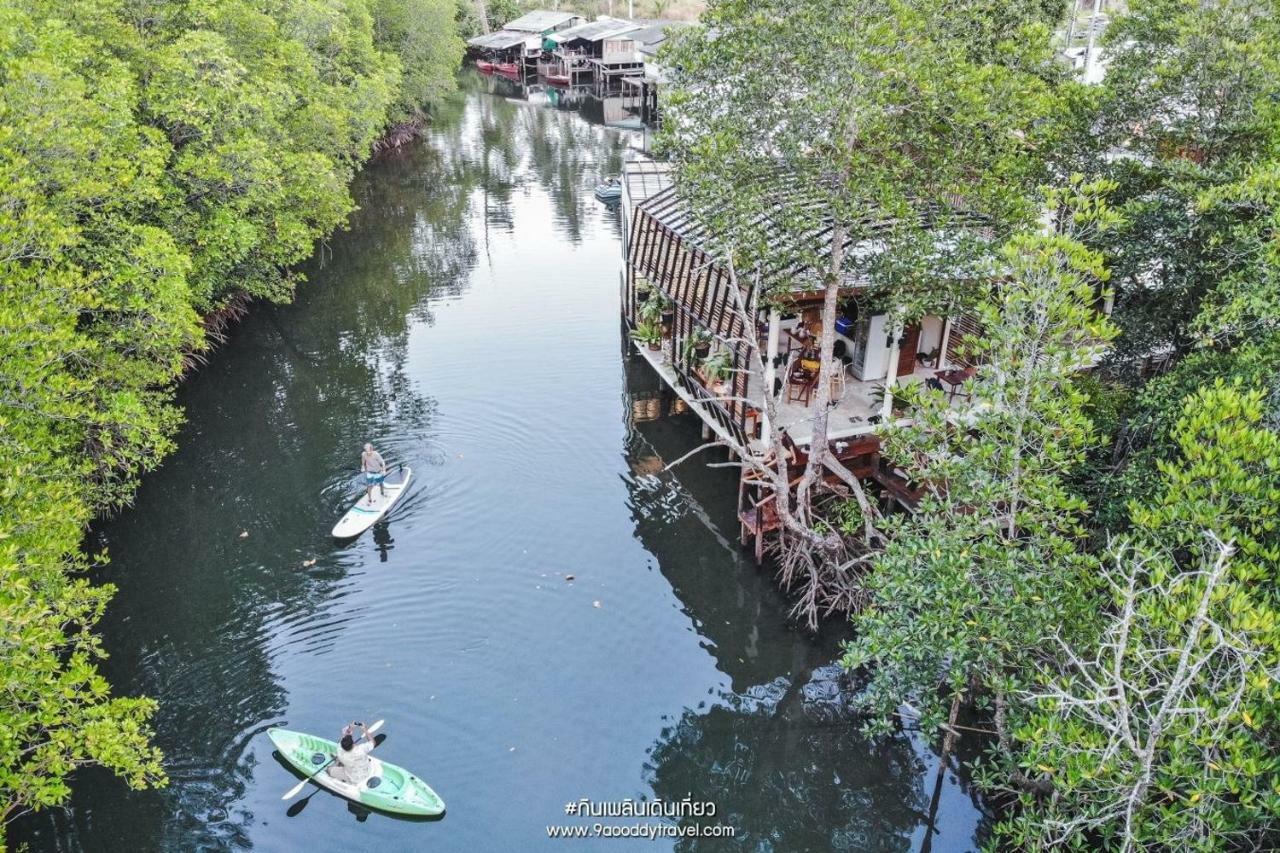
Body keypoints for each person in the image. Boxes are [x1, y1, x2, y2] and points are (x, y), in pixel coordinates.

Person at [328, 721, 376, 786]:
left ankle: (337, 763)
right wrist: (365, 730)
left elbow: (342, 739)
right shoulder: (361, 749)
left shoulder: (339, 751)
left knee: (329, 769)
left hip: (353, 777)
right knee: (342, 761)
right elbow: (373, 743)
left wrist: (350, 728)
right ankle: (339, 763)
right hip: (367, 772)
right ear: (353, 743)